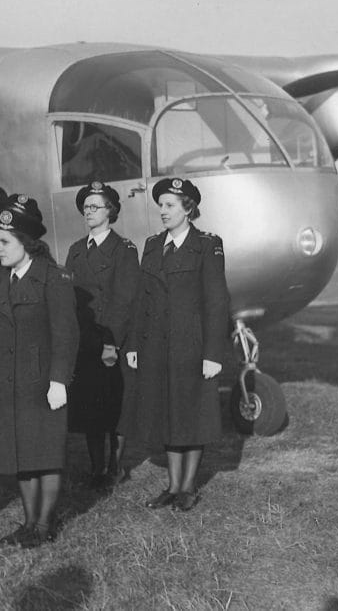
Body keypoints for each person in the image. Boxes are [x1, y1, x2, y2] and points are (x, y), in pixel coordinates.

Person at [124, 178, 229, 512]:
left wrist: (213, 354)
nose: (163, 211)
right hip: (156, 344)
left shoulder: (207, 245)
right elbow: (142, 298)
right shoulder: (153, 245)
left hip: (191, 345)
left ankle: (187, 488)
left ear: (189, 209)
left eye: (170, 205)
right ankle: (172, 485)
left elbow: (216, 302)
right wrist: (133, 344)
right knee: (167, 411)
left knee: (191, 411)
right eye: (161, 205)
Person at [0, 189, 78, 547]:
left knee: (45, 454)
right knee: (21, 454)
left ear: (26, 242)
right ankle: (28, 522)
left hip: (41, 382)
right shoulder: (0, 280)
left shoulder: (54, 278)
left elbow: (66, 334)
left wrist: (59, 381)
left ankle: (44, 525)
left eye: (5, 242)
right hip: (8, 380)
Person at [64, 182, 140, 489]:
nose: (88, 212)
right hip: (83, 342)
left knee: (113, 405)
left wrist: (111, 344)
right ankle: (96, 468)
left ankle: (115, 466)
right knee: (90, 406)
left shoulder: (124, 250)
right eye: (86, 207)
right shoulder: (76, 250)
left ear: (111, 211)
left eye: (95, 207)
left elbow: (125, 301)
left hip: (110, 342)